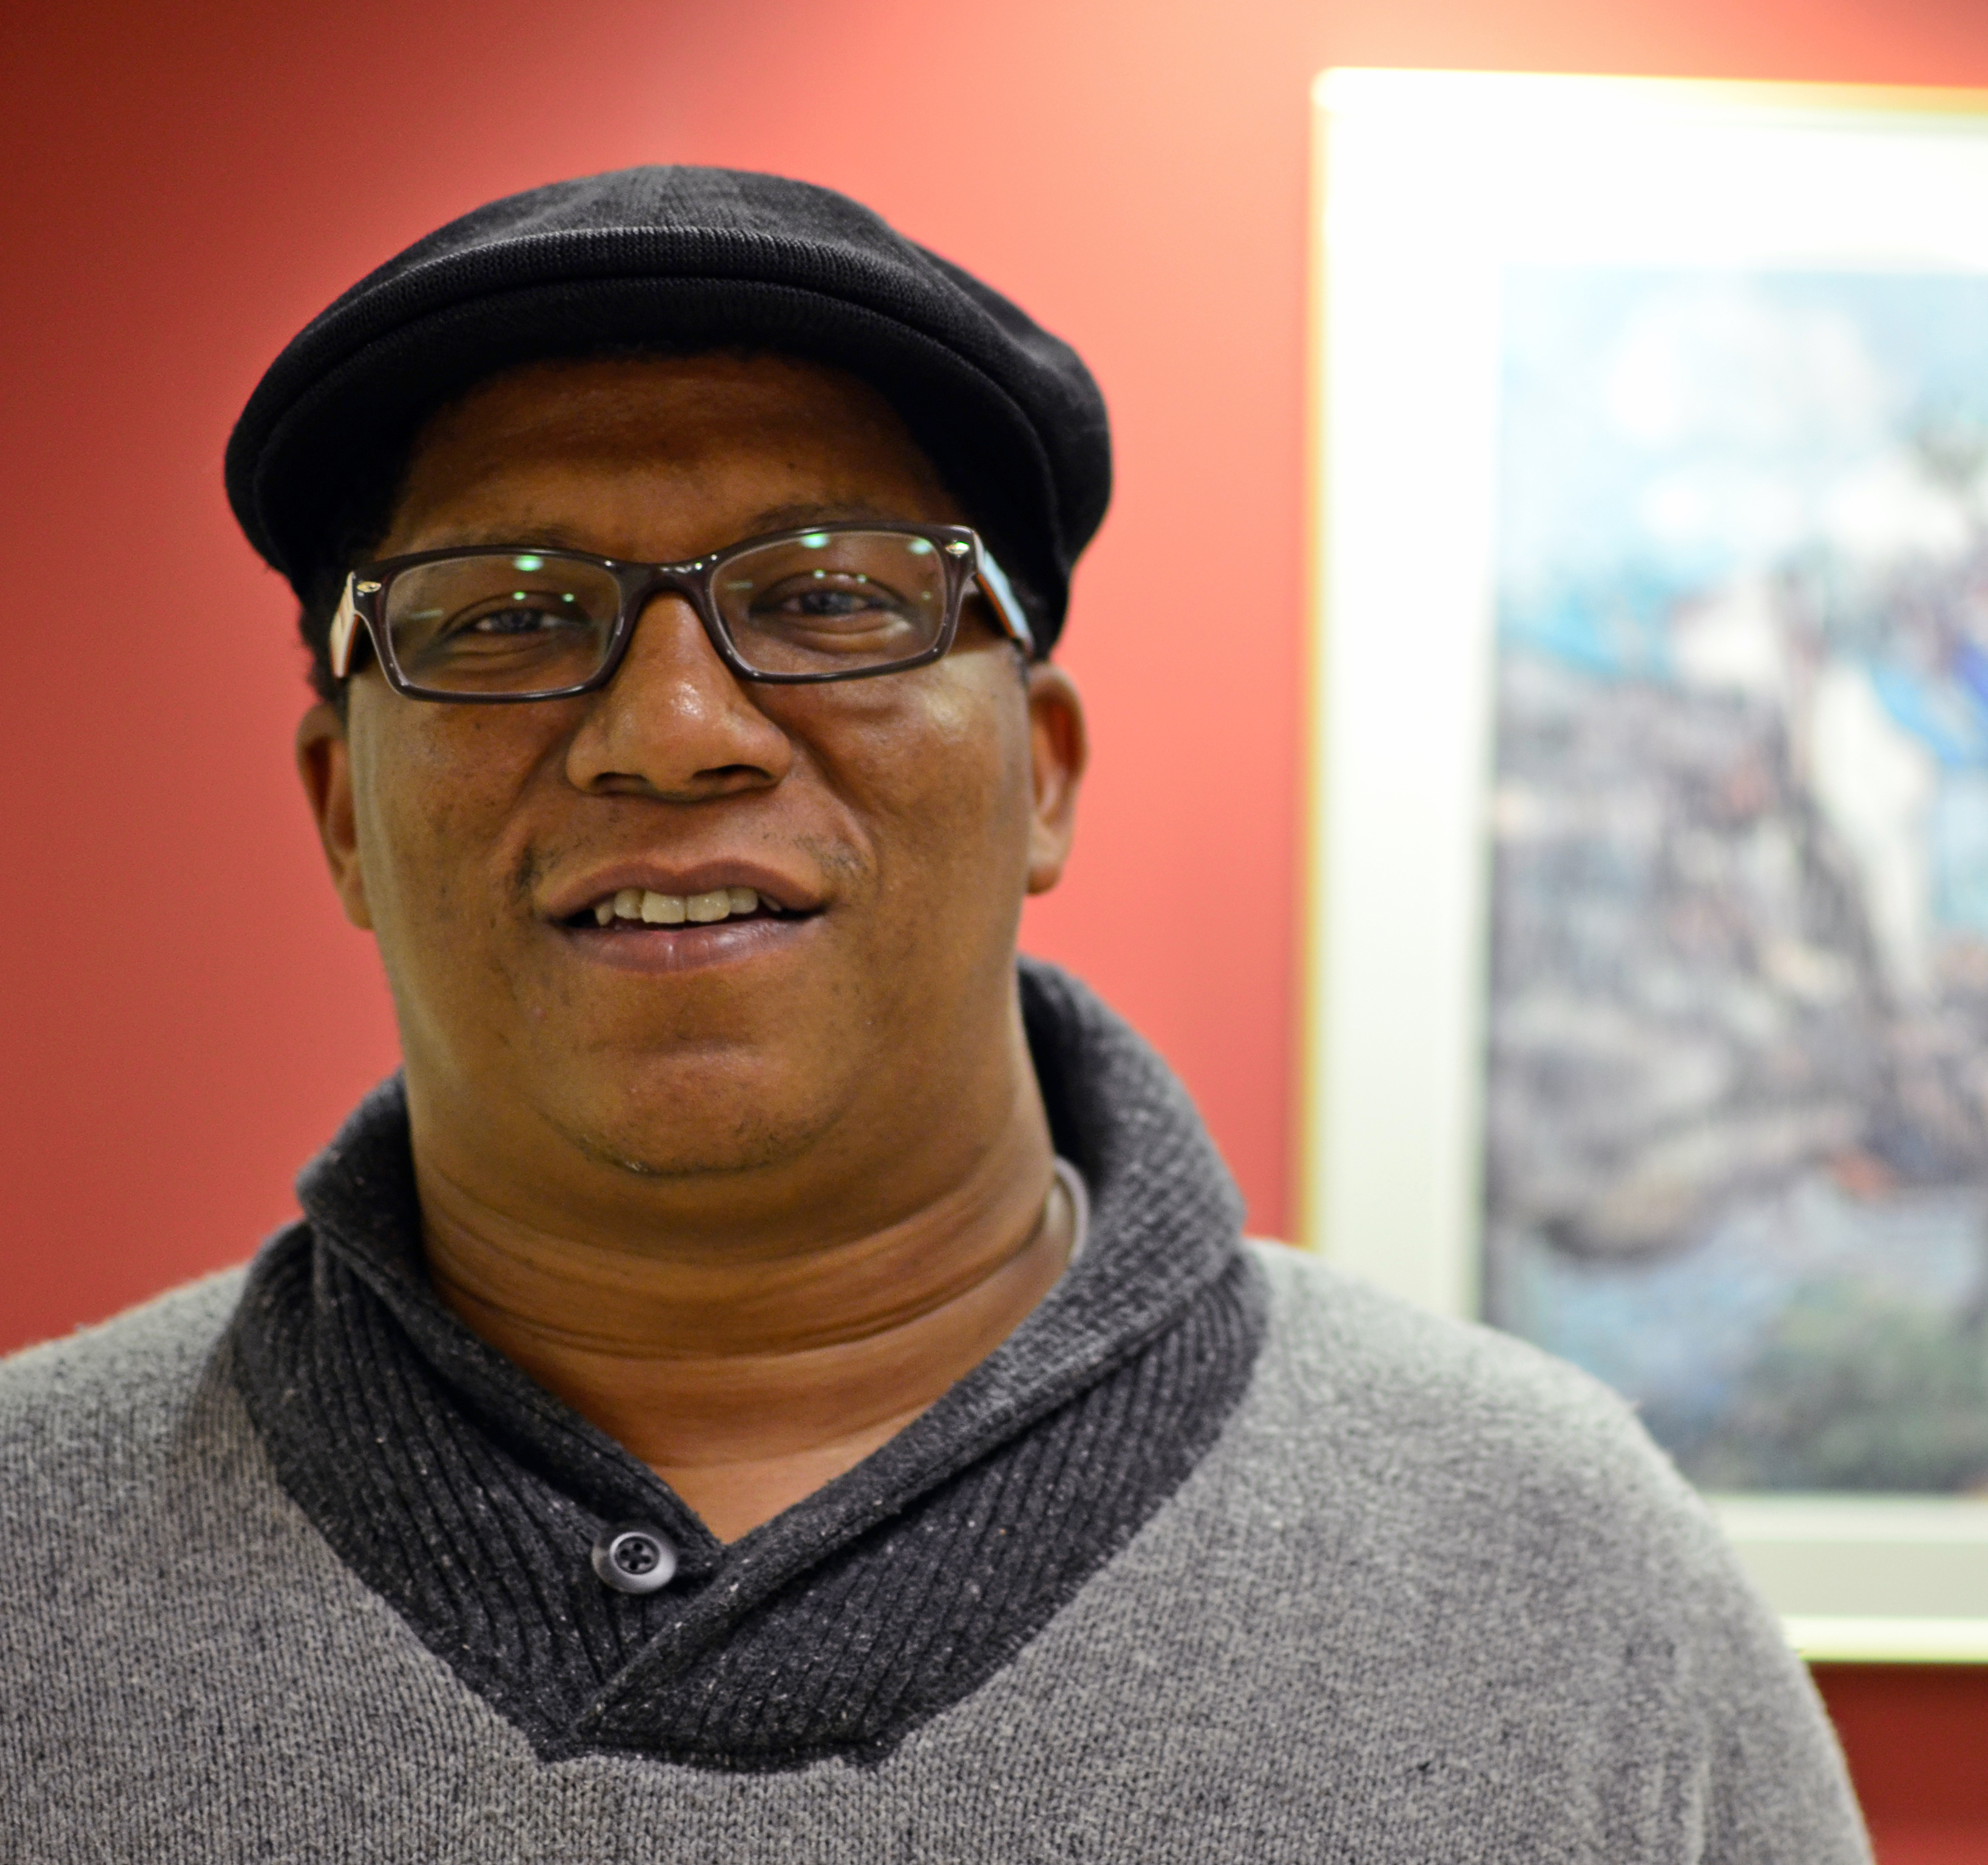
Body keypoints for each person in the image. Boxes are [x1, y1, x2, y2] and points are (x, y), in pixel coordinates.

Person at [0, 167, 1869, 1862]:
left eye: (826, 596)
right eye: (501, 615)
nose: (672, 731)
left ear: (1040, 773)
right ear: (341, 808)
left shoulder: (1561, 1584)